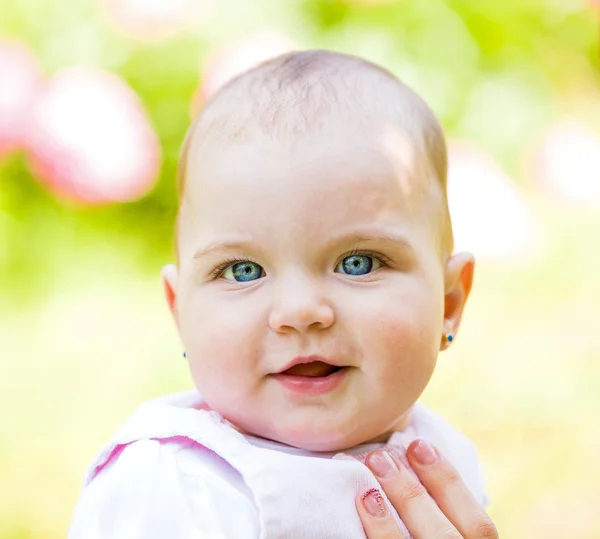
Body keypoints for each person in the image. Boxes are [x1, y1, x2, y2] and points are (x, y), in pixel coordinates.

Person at [68, 50, 496, 538]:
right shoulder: (172, 487)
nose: (299, 312)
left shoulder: (443, 459)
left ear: (449, 304)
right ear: (179, 310)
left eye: (358, 263)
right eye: (243, 270)